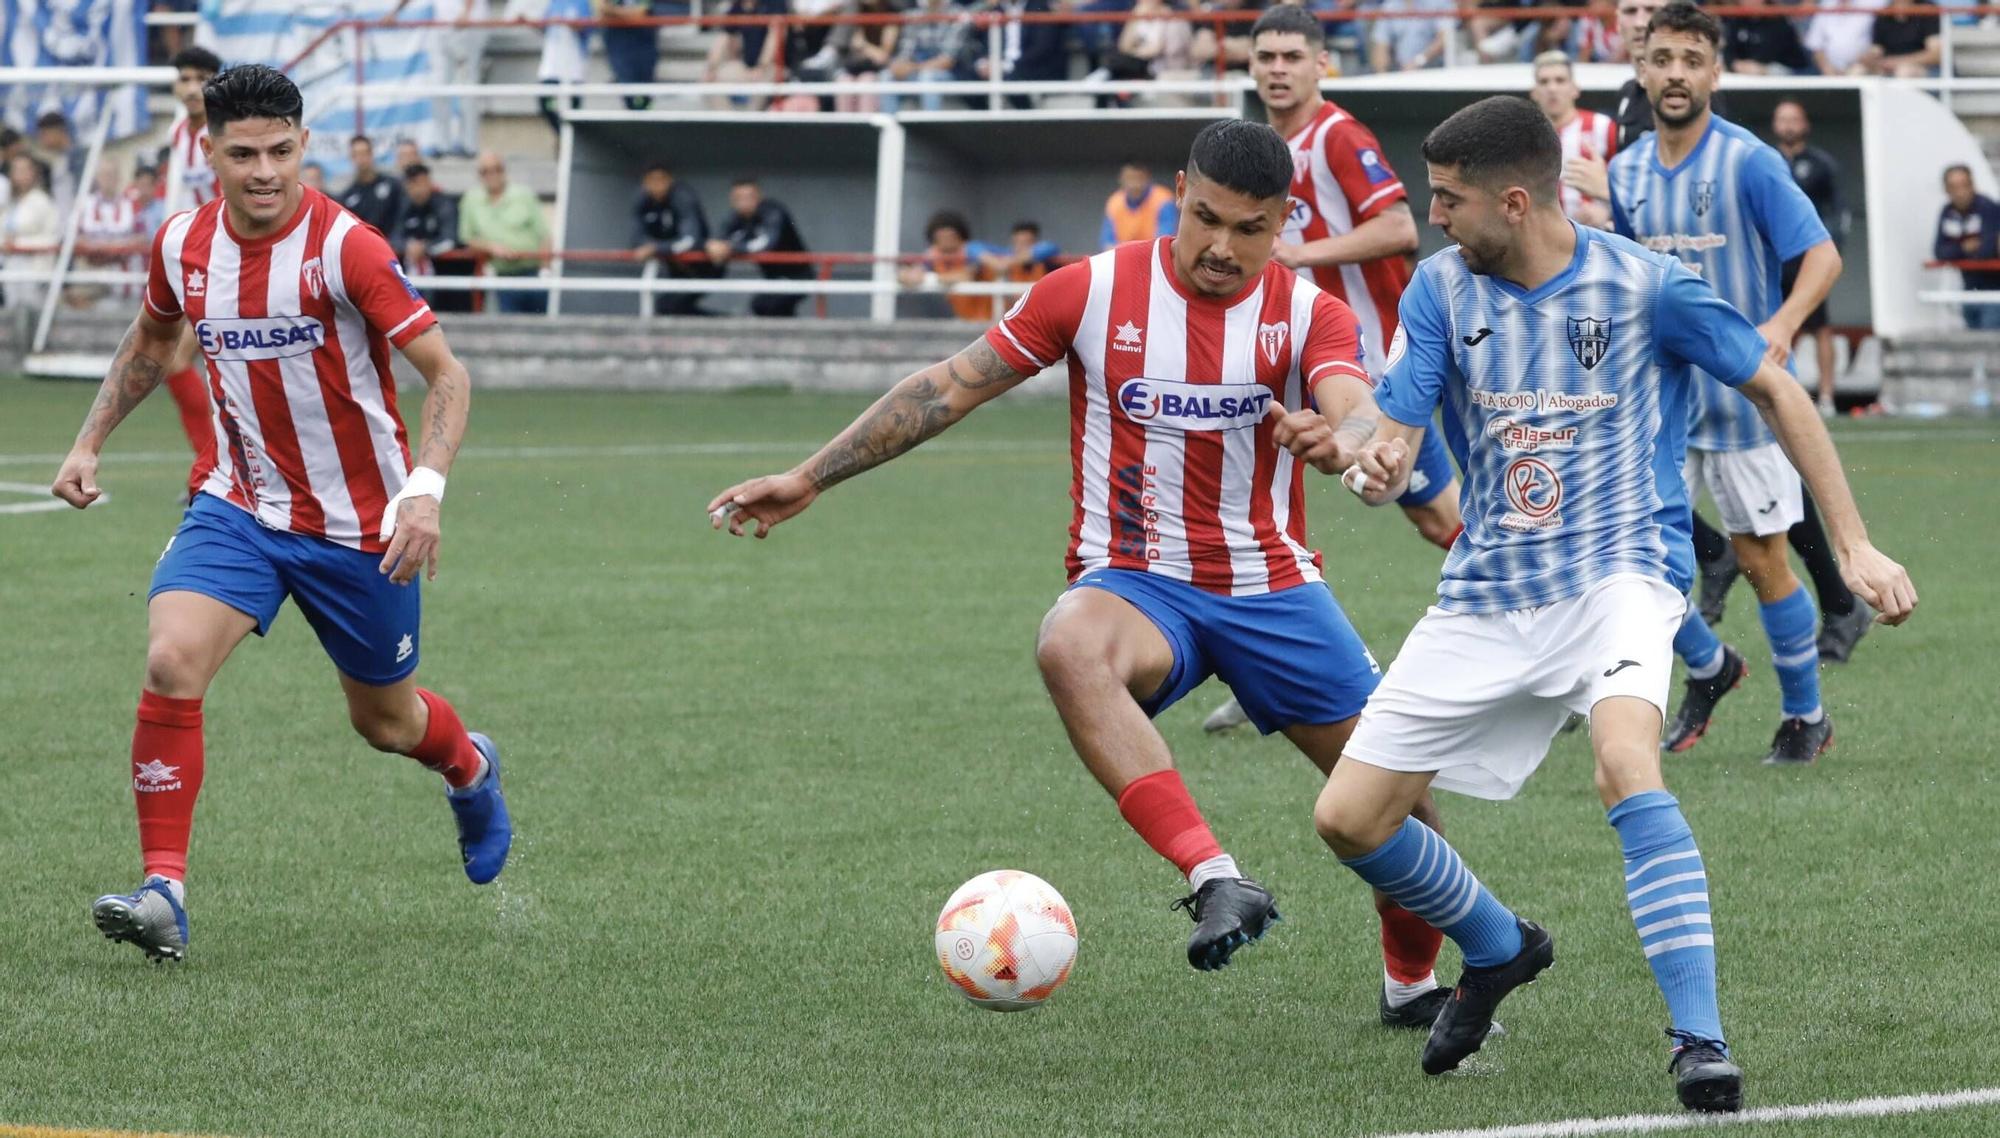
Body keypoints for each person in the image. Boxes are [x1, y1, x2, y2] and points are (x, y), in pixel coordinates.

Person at [710, 121, 1474, 1029]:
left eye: (1251, 230)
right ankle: (1216, 878)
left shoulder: (1310, 311)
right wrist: (809, 475)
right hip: (1135, 580)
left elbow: (1354, 407)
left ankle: (1410, 988)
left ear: (1284, 223)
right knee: (1068, 642)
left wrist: (1351, 448)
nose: (1223, 248)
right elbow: (948, 386)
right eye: (1205, 219)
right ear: (1178, 191)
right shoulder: (1092, 289)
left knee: (1404, 809)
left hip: (1271, 585)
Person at [1317, 93, 1913, 1110]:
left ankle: (1698, 1040)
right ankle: (1499, 947)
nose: (1434, 216)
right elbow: (1399, 419)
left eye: (1447, 199)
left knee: (1623, 760)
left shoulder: (1643, 288)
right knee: (1346, 818)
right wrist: (1373, 459)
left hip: (1619, 580)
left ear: (1513, 200)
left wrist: (1850, 543)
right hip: (1484, 591)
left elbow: (1778, 388)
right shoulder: (1438, 289)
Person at [47, 64, 513, 965]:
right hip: (238, 504)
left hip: (360, 526)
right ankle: (164, 892)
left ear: (305, 144)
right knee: (171, 658)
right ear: (209, 149)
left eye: (281, 150)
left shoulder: (350, 249)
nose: (264, 170)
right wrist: (88, 439)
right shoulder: (181, 243)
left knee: (384, 723)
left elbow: (446, 374)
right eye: (243, 152)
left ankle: (470, 768)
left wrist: (427, 488)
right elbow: (151, 341)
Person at [1608, 3, 1845, 764]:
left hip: (1743, 406)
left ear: (1715, 71)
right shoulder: (1626, 171)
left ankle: (1806, 714)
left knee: (1761, 558)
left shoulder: (1748, 160)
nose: (1675, 73)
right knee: (1632, 558)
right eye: (1662, 58)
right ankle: (1711, 664)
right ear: (1641, 69)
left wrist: (1781, 326)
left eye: (1691, 59)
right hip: (1656, 409)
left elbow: (1822, 257)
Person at [1248, 5, 1462, 553]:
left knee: (1444, 521)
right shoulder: (1269, 150)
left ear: (1321, 64)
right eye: (1266, 57)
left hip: (1367, 367)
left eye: (1292, 57)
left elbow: (1397, 227)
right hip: (1303, 362)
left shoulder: (1337, 136)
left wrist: (1298, 254)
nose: (1278, 69)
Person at [160, 47, 227, 502]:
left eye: (201, 78)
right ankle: (213, 470)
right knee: (183, 363)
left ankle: (214, 472)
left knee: (182, 362)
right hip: (204, 260)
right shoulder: (178, 132)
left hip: (235, 261)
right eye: (184, 78)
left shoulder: (229, 129)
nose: (191, 87)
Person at [1771, 101, 1844, 412]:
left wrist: (1832, 249)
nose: (1788, 125)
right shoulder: (1764, 160)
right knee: (1770, 324)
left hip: (1807, 259)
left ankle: (1826, 396)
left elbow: (1838, 210)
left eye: (1794, 119)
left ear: (1805, 124)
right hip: (1772, 258)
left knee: (1820, 327)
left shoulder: (1820, 164)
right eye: (1782, 119)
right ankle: (1775, 395)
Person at [1530, 51, 1617, 229]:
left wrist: (1607, 211)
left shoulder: (1602, 126)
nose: (1552, 88)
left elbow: (1625, 181)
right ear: (1534, 92)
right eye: (1544, 82)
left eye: (1560, 80)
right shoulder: (1523, 135)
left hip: (1594, 235)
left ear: (1575, 89)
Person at [460, 151, 551, 314]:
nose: (492, 175)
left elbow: (544, 235)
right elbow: (467, 238)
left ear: (504, 171)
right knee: (508, 332)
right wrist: (492, 248)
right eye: (485, 171)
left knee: (541, 330)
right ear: (479, 175)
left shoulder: (524, 195)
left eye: (497, 169)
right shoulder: (471, 199)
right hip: (500, 277)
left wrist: (545, 272)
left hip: (532, 274)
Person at [706, 178, 811, 317]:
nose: (744, 202)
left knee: (764, 305)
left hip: (798, 275)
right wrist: (715, 245)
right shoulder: (735, 218)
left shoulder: (773, 212)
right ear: (732, 200)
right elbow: (719, 242)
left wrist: (732, 247)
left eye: (749, 197)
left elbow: (766, 244)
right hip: (773, 278)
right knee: (775, 310)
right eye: (739, 198)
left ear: (759, 197)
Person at [634, 162, 714, 316]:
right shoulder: (642, 201)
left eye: (661, 180)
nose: (657, 185)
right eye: (652, 180)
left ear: (670, 180)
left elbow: (690, 240)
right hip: (675, 267)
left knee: (669, 306)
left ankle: (728, 327)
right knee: (670, 307)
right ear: (645, 183)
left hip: (702, 266)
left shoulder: (683, 198)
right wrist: (653, 247)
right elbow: (636, 238)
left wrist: (658, 248)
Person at [398, 163, 473, 314]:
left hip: (445, 282)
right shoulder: (403, 208)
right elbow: (393, 237)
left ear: (429, 182)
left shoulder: (444, 205)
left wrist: (425, 248)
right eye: (413, 184)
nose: (418, 189)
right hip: (411, 278)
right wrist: (407, 246)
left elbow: (451, 239)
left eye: (422, 183)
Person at [1934, 164, 2000, 331]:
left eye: (1964, 185)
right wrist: (1964, 247)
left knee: (1989, 343)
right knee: (1973, 343)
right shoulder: (1947, 212)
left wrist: (1955, 249)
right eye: (1954, 187)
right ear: (1946, 189)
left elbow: (1987, 251)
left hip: (1993, 291)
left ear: (1972, 185)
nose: (1960, 192)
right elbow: (1939, 251)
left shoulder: (1988, 208)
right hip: (1969, 288)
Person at [898, 210, 986, 321]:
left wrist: (930, 278)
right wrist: (908, 275)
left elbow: (965, 276)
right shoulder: (933, 255)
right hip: (964, 317)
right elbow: (909, 274)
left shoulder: (972, 251)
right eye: (941, 239)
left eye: (950, 238)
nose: (946, 244)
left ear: (960, 237)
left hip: (991, 316)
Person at [885, 0, 970, 113]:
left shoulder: (959, 14)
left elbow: (947, 60)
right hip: (918, 68)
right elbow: (905, 52)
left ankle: (931, 127)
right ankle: (888, 125)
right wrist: (899, 65)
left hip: (955, 72)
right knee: (887, 75)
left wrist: (914, 68)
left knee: (928, 77)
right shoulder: (913, 14)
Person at [0, 154, 59, 309]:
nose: (20, 175)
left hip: (34, 269)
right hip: (11, 268)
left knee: (32, 313)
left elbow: (53, 238)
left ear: (34, 172)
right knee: (12, 311)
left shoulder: (43, 201)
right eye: (16, 170)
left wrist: (17, 244)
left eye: (25, 170)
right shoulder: (9, 202)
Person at [599, 0, 664, 111]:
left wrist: (614, 12)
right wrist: (625, 14)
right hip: (619, 46)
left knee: (644, 94)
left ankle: (645, 124)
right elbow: (602, 10)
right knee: (627, 90)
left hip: (643, 45)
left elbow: (640, 14)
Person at [339, 135, 407, 236]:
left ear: (371, 154)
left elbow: (402, 217)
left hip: (393, 247)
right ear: (351, 158)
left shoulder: (393, 185)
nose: (361, 159)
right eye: (356, 154)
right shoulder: (347, 197)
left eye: (364, 153)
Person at [1100, 161, 1178, 249]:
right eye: (1129, 178)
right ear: (1121, 179)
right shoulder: (1114, 203)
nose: (1134, 185)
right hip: (1123, 256)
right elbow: (1107, 242)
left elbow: (1164, 241)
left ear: (1147, 178)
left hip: (1153, 255)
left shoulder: (1163, 200)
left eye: (1139, 178)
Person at [1723, 0, 1810, 74]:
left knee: (1773, 70)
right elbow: (1729, 49)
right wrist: (1735, 64)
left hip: (1782, 67)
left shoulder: (1777, 19)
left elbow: (1773, 50)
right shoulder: (1736, 19)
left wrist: (1757, 67)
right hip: (1745, 68)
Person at [1368, 0, 1452, 72]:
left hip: (1434, 72)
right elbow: (1380, 46)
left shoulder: (1439, 2)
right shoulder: (1389, 6)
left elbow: (1445, 38)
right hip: (1401, 73)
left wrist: (1418, 61)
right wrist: (1382, 75)